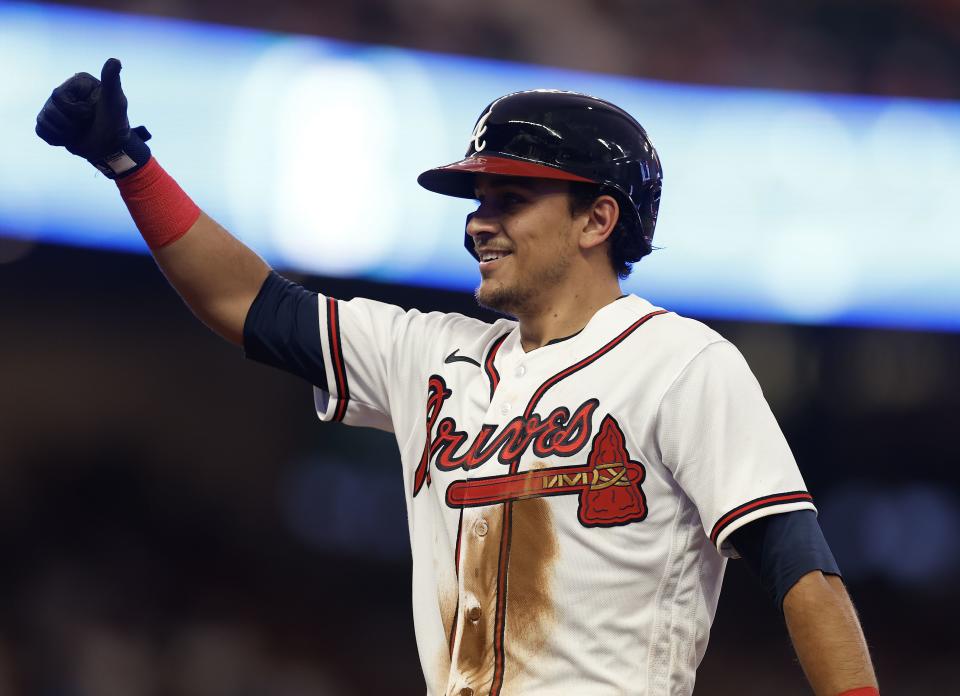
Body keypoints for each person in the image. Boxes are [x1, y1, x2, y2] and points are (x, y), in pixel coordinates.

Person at [36, 59, 879, 696]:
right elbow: (249, 304)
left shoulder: (683, 362)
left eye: (512, 198)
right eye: (476, 200)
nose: (479, 222)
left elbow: (797, 563)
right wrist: (128, 167)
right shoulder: (432, 354)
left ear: (598, 218)